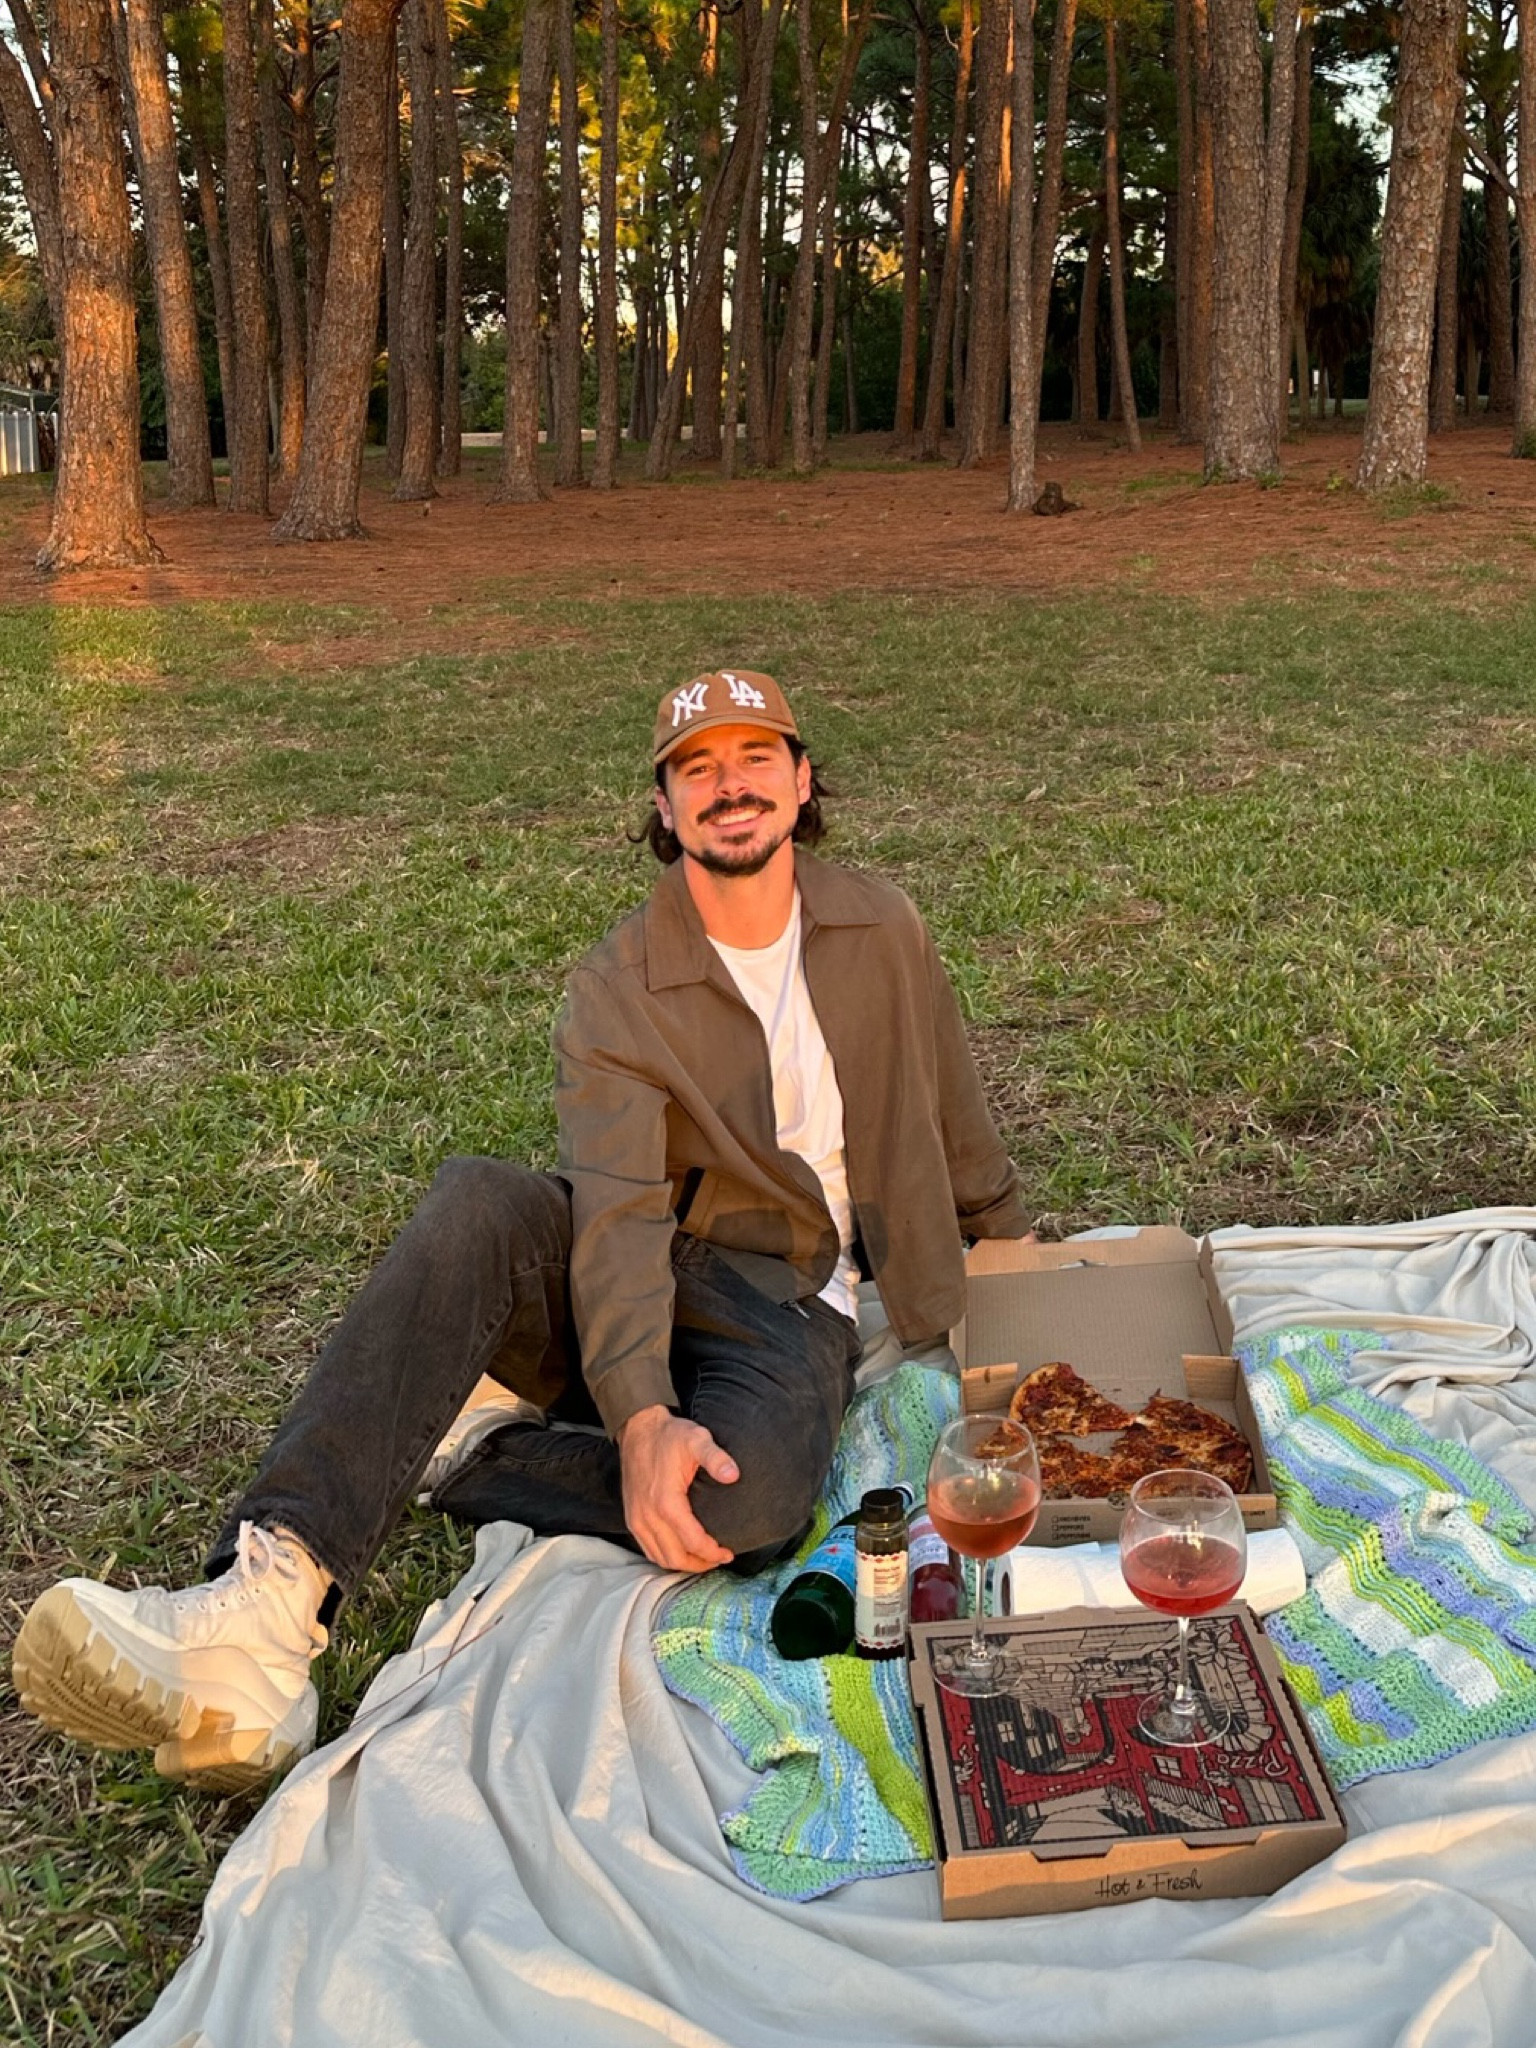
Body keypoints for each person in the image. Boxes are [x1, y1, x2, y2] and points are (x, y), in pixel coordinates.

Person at [14, 669, 1030, 1791]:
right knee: (483, 1201)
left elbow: (955, 1114)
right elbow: (620, 1215)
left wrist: (1024, 1257)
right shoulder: (616, 987)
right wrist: (641, 1413)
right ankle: (262, 1605)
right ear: (663, 808)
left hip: (797, 1300)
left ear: (800, 780)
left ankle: (464, 1447)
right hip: (657, 1257)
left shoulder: (883, 926)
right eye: (696, 766)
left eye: (753, 757)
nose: (727, 784)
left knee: (748, 1511)